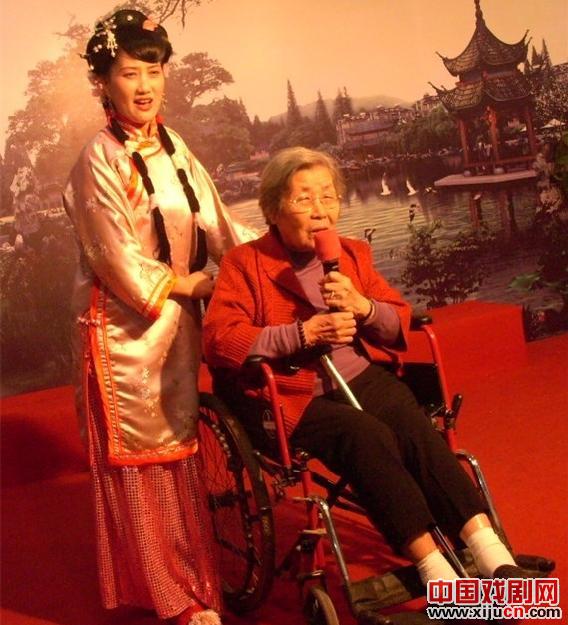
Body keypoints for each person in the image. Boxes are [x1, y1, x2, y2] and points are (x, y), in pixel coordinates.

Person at [203, 147, 531, 591]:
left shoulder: (351, 254)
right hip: (291, 392)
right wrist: (302, 334)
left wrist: (365, 307)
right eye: (304, 198)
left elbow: (397, 319)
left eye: (328, 196)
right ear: (274, 208)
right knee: (365, 435)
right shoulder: (245, 263)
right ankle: (433, 567)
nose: (320, 210)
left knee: (412, 425)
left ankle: (491, 552)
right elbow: (220, 339)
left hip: (358, 374)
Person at [63, 10, 255, 625]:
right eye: (129, 73)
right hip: (123, 335)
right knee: (146, 465)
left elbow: (218, 222)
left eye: (154, 70)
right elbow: (115, 257)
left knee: (181, 453)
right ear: (103, 83)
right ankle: (178, 599)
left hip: (177, 325)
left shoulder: (175, 147)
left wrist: (267, 259)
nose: (145, 86)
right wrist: (188, 283)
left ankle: (195, 582)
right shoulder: (97, 158)